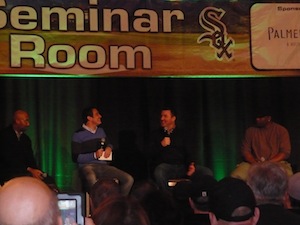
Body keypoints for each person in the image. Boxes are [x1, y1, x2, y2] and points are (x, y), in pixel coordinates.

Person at [146, 106, 212, 192]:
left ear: (173, 118)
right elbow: (148, 153)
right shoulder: (155, 134)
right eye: (161, 116)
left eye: (165, 116)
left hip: (182, 167)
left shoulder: (182, 134)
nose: (162, 118)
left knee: (207, 172)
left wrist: (191, 165)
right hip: (166, 168)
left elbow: (189, 151)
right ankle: (168, 200)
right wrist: (161, 145)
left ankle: (200, 200)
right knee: (159, 171)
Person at [71, 106, 134, 195]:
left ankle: (117, 204)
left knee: (128, 179)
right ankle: (98, 205)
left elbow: (109, 143)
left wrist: (109, 148)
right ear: (89, 118)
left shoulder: (101, 131)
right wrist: (94, 155)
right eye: (97, 114)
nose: (100, 116)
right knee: (91, 178)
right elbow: (75, 157)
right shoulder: (78, 135)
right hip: (88, 166)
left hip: (103, 166)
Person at [231, 111, 292, 181]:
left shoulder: (281, 130)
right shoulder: (250, 131)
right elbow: (245, 151)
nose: (257, 119)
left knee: (288, 176)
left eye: (260, 118)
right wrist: (254, 162)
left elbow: (285, 152)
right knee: (236, 176)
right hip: (253, 163)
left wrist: (268, 163)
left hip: (276, 163)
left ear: (268, 118)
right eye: (256, 117)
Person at [0, 110, 46, 185]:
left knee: (46, 179)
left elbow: (30, 159)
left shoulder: (25, 139)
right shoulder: (4, 136)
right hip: (8, 174)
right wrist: (30, 170)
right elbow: (8, 160)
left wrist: (36, 171)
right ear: (17, 121)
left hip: (23, 173)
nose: (28, 124)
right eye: (26, 120)